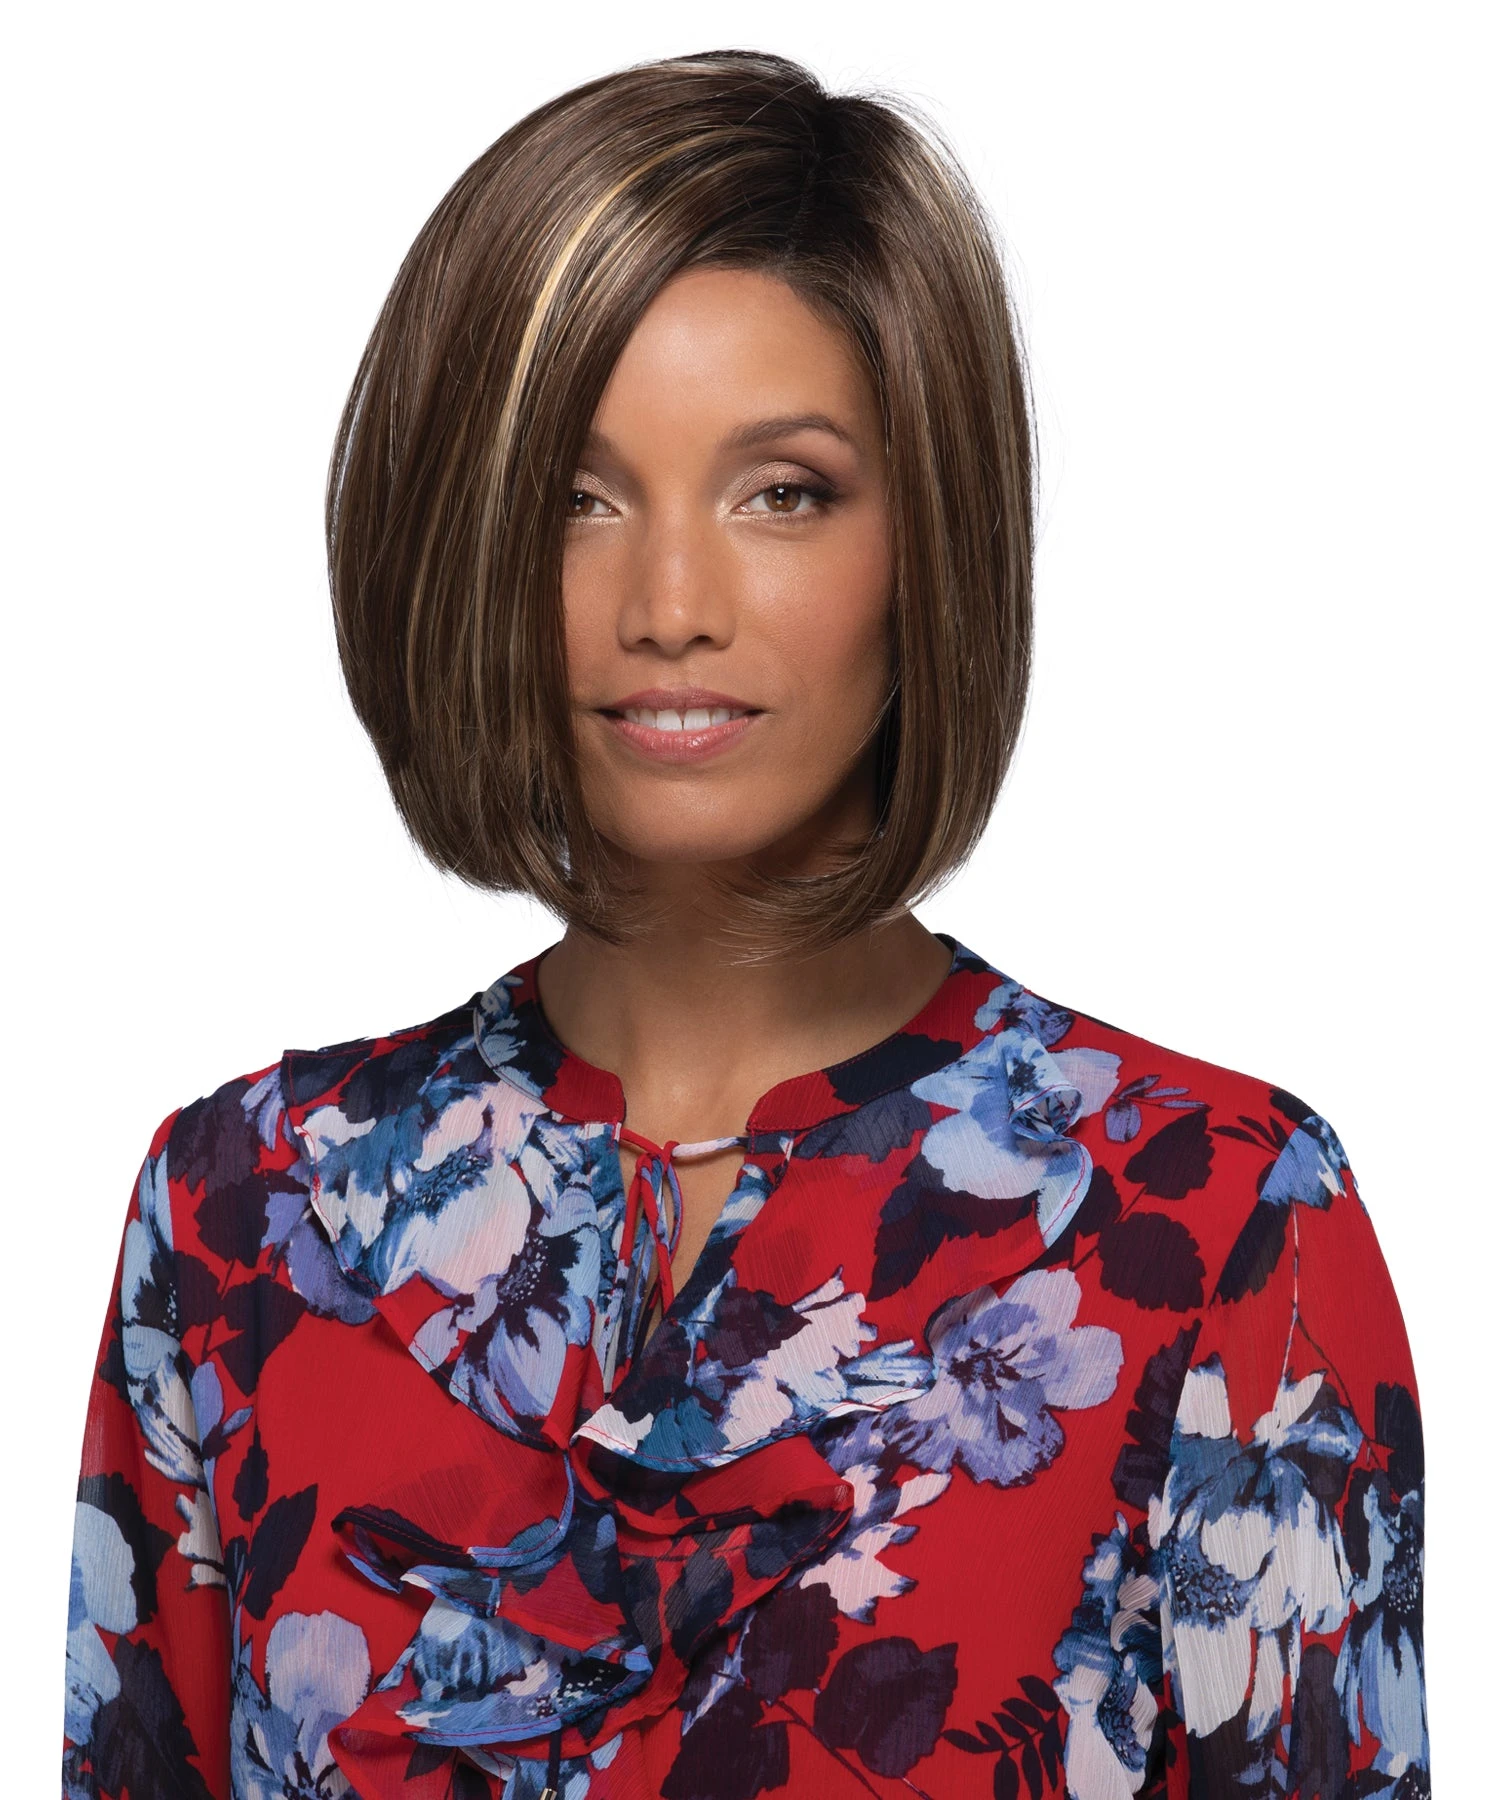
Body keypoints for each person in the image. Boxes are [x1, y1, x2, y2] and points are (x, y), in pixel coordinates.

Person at [61, 48, 1428, 1800]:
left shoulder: (1217, 1217)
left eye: (783, 491)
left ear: (929, 542)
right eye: (576, 496)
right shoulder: (243, 1213)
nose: (672, 604)